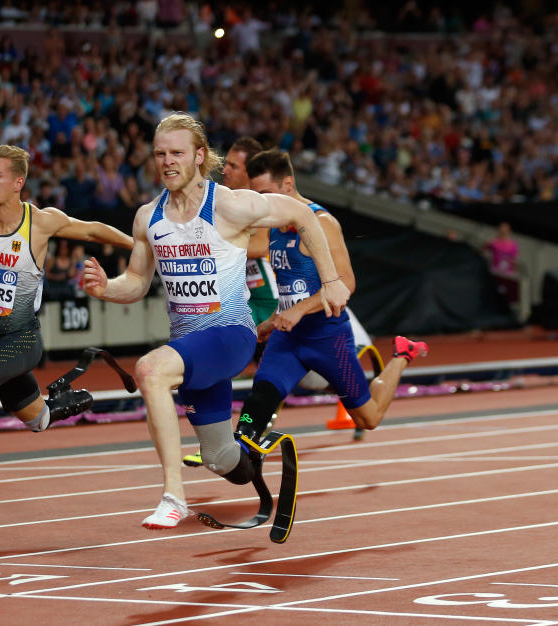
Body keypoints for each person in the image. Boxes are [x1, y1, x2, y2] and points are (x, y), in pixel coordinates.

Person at [81, 113, 350, 529]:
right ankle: (256, 462)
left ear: (199, 156)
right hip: (190, 344)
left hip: (229, 334)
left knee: (150, 370)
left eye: (177, 153)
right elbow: (135, 281)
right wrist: (105, 289)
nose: (167, 162)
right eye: (159, 154)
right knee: (220, 458)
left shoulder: (228, 204)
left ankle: (173, 497)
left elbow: (304, 215)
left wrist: (331, 279)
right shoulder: (147, 217)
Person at [0, 144, 134, 451]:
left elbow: (91, 231)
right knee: (38, 420)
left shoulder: (39, 221)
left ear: (17, 183)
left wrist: (140, 246)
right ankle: (62, 402)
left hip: (21, 339)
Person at [235, 148, 429, 446]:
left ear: (288, 185)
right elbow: (291, 288)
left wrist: (299, 311)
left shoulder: (322, 223)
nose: (262, 203)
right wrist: (273, 320)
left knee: (369, 418)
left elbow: (346, 283)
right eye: (256, 195)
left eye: (267, 193)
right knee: (261, 396)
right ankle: (238, 446)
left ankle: (403, 354)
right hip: (288, 339)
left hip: (328, 339)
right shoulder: (272, 224)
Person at [222, 137, 279, 360]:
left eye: (233, 166)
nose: (224, 170)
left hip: (270, 300)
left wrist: (219, 244)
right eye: (226, 163)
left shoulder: (263, 201)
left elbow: (260, 245)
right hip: (247, 299)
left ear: (250, 171)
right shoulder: (226, 203)